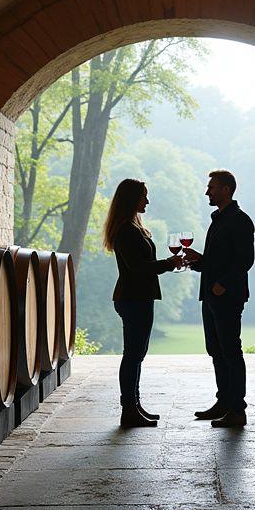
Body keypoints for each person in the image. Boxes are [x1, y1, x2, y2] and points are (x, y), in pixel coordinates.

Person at [103, 178, 182, 428]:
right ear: (131, 199)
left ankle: (135, 406)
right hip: (133, 298)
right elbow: (137, 268)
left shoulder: (133, 227)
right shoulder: (126, 230)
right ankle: (128, 410)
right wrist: (168, 265)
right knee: (132, 355)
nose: (147, 200)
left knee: (137, 355)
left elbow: (141, 265)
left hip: (138, 297)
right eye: (143, 196)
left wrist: (167, 264)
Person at [183, 169, 255, 427]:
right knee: (216, 351)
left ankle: (238, 410)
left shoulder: (239, 220)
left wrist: (222, 284)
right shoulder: (219, 219)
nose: (207, 192)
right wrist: (199, 261)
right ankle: (223, 402)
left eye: (211, 187)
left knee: (231, 352)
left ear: (226, 190)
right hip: (211, 296)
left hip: (227, 296)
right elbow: (218, 260)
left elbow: (245, 260)